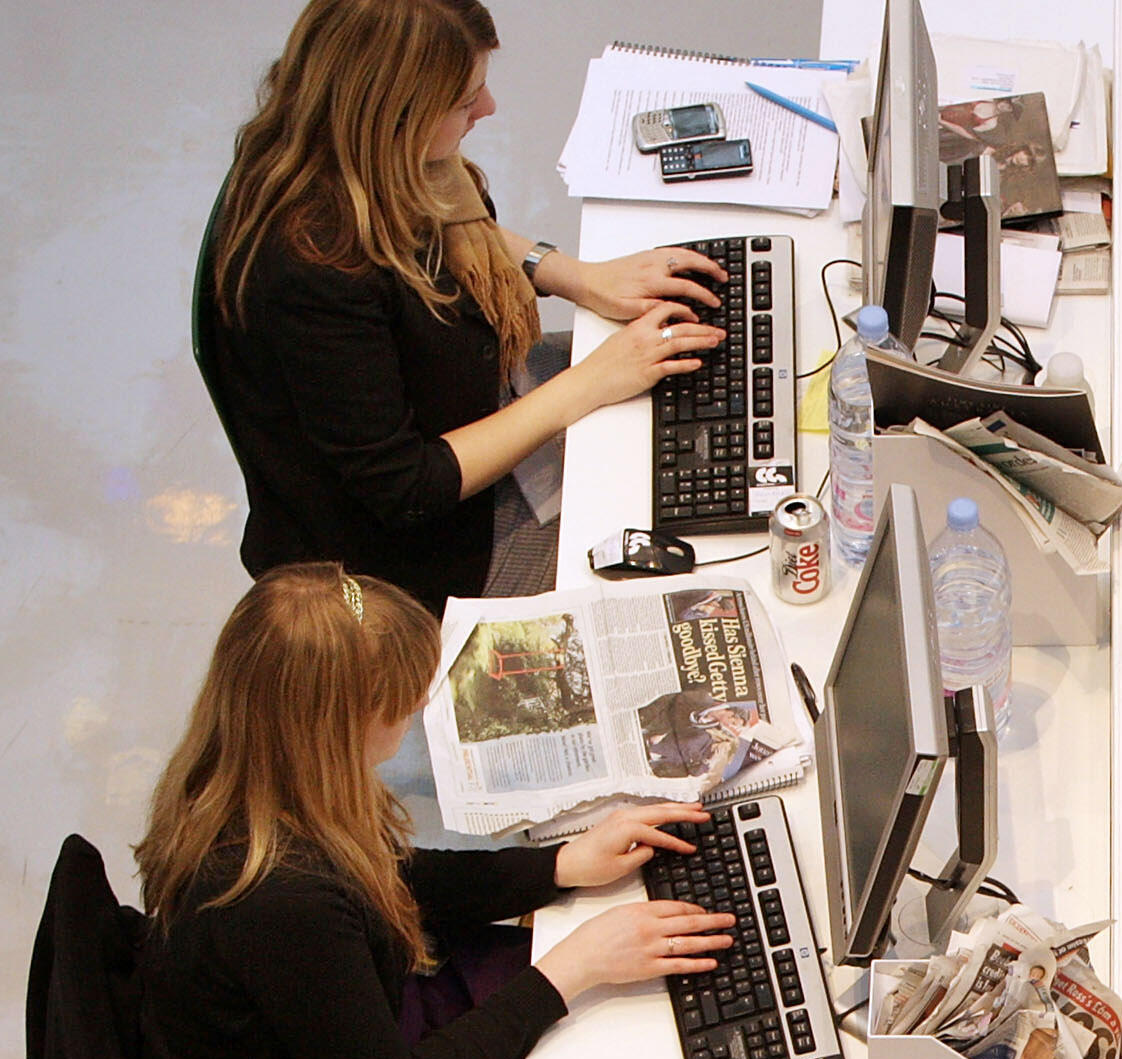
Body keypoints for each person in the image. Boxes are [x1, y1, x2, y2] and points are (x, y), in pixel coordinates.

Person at [134, 565, 736, 1059]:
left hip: (341, 1049)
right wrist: (570, 970)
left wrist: (556, 865)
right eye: (401, 702)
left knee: (585, 1011)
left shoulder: (249, 781)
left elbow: (387, 878)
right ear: (336, 726)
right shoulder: (280, 902)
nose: (421, 707)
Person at [196, 0, 733, 613]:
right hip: (421, 546)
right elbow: (405, 486)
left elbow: (448, 228)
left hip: (463, 386)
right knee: (679, 531)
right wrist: (590, 382)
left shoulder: (352, 151)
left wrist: (573, 276)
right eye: (462, 102)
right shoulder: (311, 265)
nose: (488, 109)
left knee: (682, 394)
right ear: (391, 116)